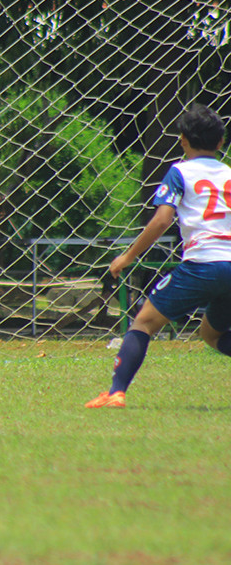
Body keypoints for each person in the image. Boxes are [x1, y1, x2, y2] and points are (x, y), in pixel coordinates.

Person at [86, 103, 231, 409]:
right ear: (220, 142)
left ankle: (115, 393)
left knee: (143, 324)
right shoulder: (228, 174)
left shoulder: (179, 172)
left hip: (202, 264)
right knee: (210, 334)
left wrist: (127, 256)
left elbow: (162, 220)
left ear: (182, 140)